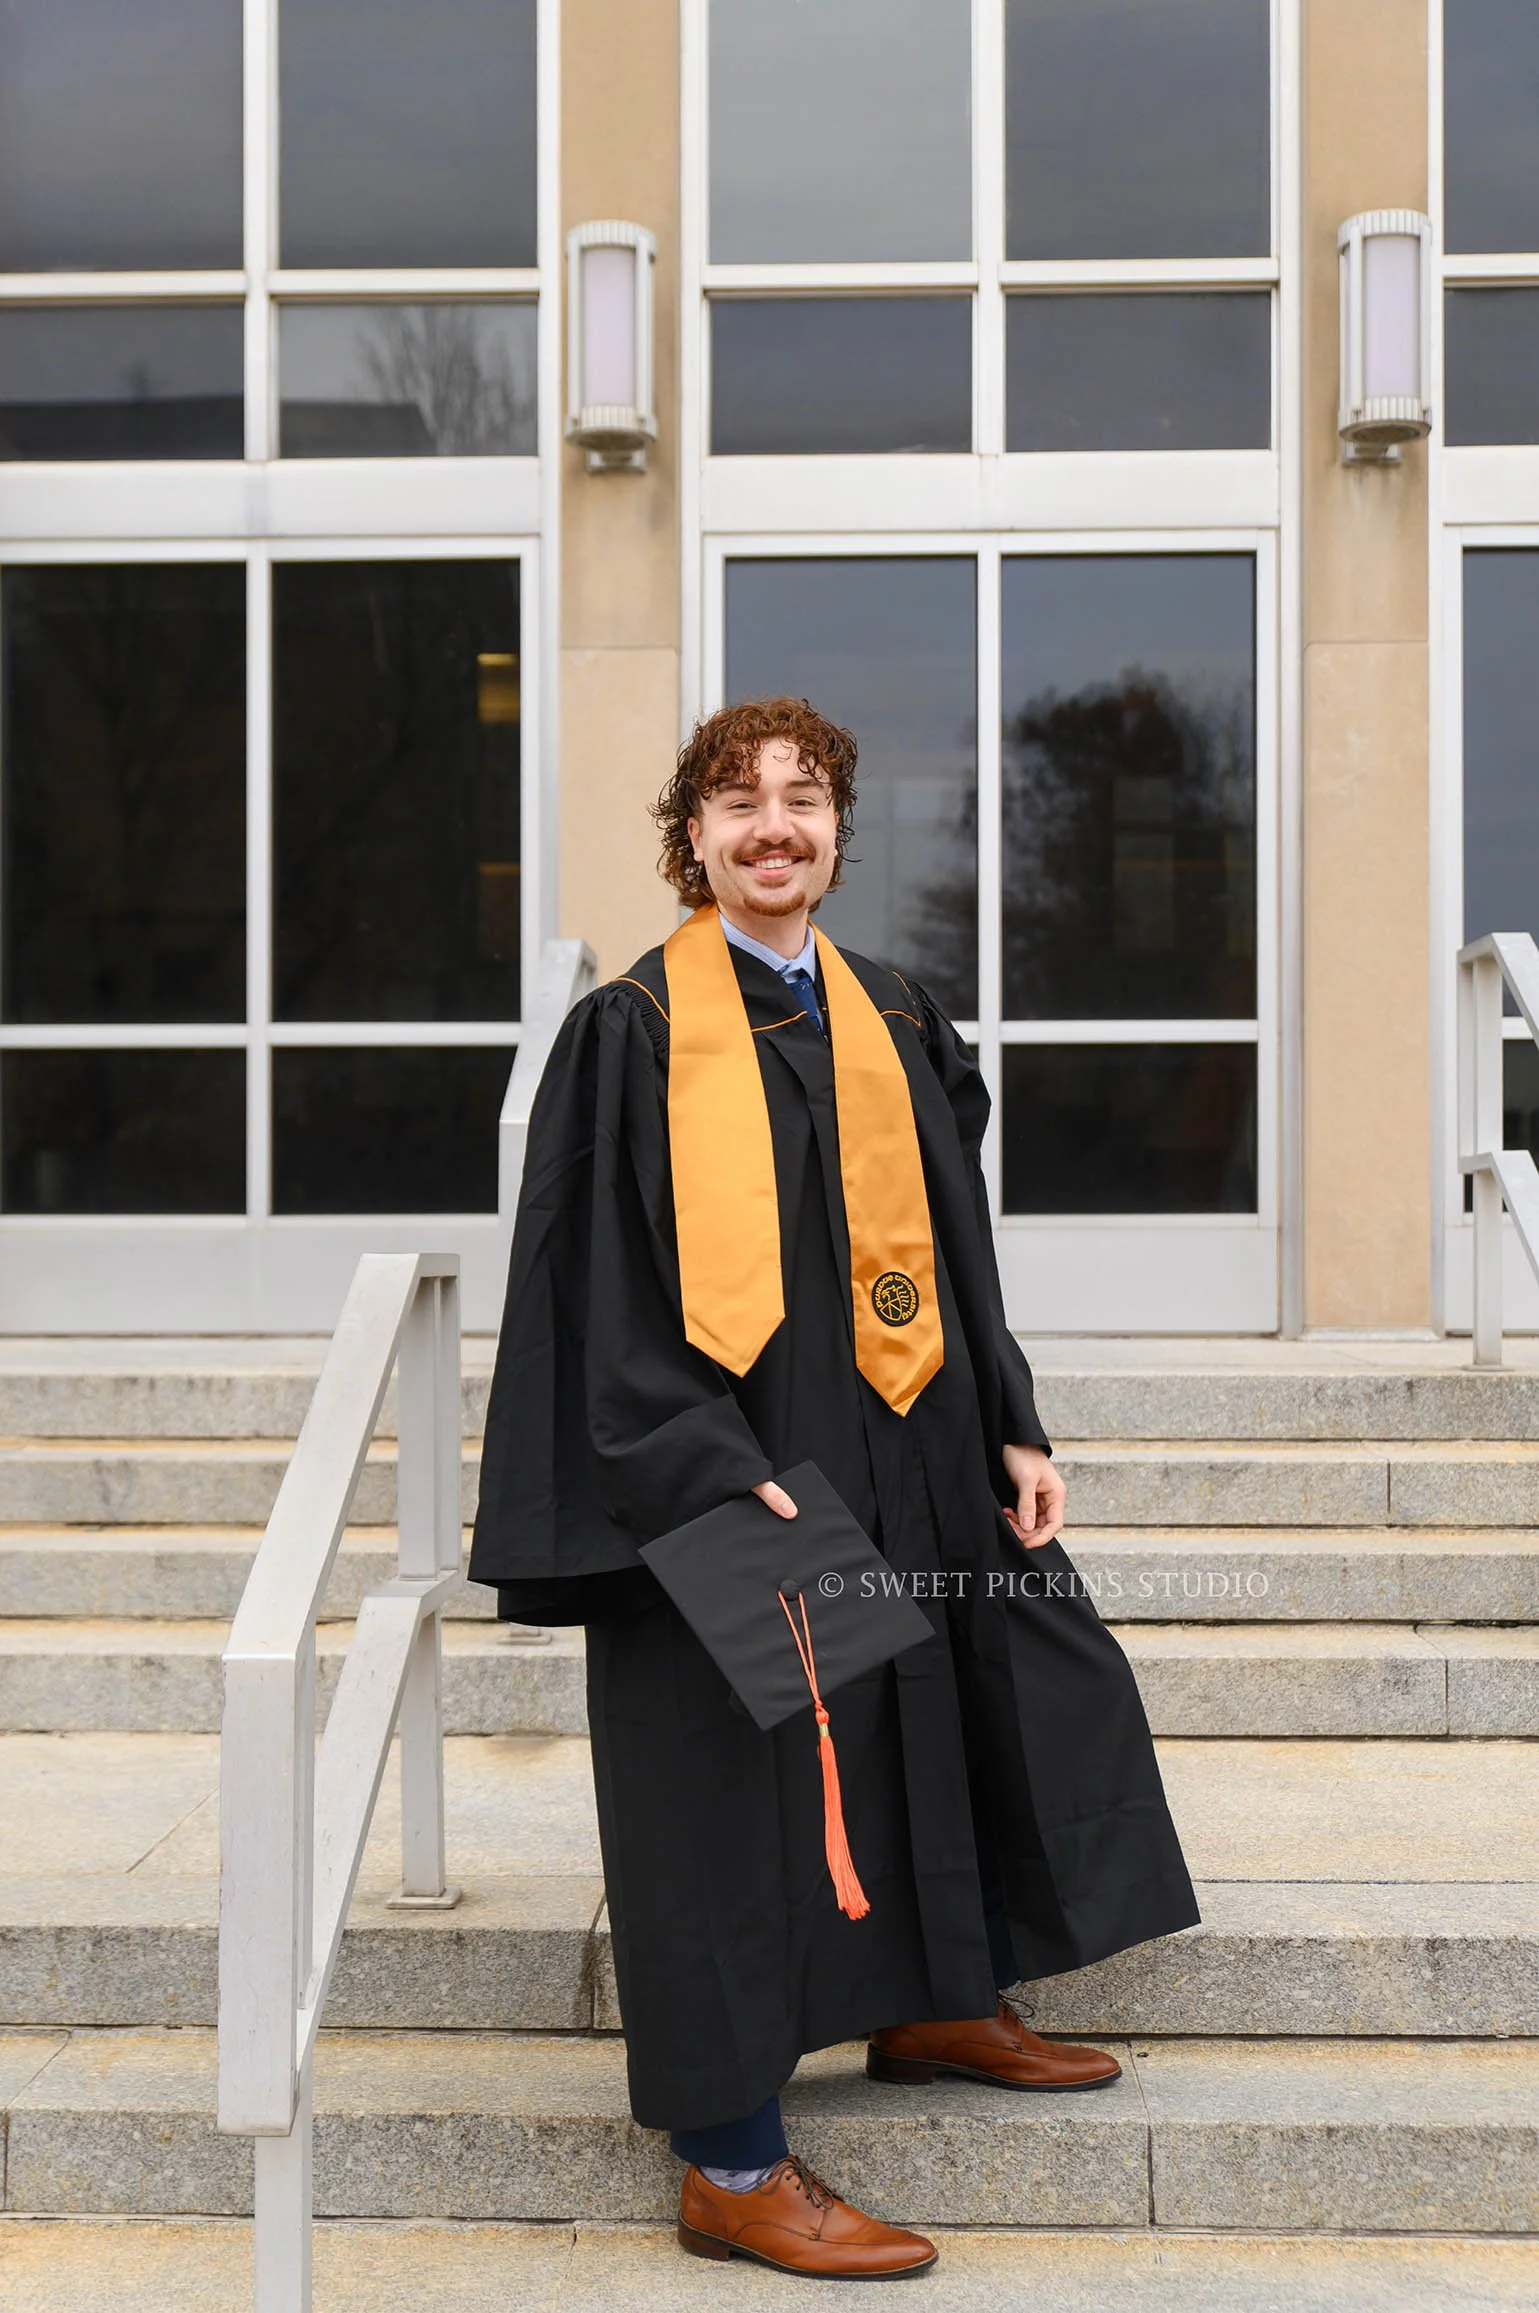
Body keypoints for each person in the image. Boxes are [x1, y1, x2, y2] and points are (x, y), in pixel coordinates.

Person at [469, 696, 1198, 2280]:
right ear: (694, 840)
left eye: (802, 800)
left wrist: (1012, 1419)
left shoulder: (889, 1011)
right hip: (731, 1470)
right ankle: (731, 2161)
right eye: (738, 806)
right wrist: (702, 1469)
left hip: (915, 1436)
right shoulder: (635, 1029)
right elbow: (587, 1279)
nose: (773, 827)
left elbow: (947, 1240)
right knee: (734, 1786)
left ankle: (932, 1999)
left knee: (944, 1704)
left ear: (839, 835)